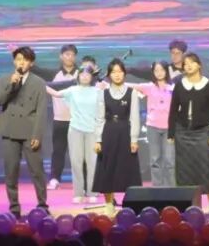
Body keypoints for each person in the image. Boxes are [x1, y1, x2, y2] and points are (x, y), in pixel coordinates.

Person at [0, 46, 49, 217]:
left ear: (31, 63)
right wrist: (12, 84)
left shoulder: (39, 82)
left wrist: (37, 134)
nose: (21, 63)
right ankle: (14, 208)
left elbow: (41, 111)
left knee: (37, 171)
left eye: (25, 60)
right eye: (18, 59)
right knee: (11, 171)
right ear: (14, 62)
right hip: (10, 130)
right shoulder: (5, 79)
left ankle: (42, 204)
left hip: (30, 131)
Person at [45, 63, 102, 204]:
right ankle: (78, 192)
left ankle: (92, 192)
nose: (85, 77)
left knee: (92, 162)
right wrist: (39, 84)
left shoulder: (98, 91)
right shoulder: (72, 90)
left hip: (92, 130)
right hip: (75, 130)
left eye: (87, 74)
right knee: (76, 162)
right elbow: (56, 94)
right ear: (78, 76)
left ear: (92, 77)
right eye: (82, 74)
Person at [167, 52, 209, 205]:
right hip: (182, 132)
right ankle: (188, 203)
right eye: (185, 63)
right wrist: (171, 133)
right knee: (184, 170)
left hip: (203, 131)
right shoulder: (179, 85)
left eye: (191, 62)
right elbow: (173, 111)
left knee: (205, 167)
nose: (188, 66)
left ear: (199, 65)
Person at [93, 59, 142, 216]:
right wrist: (98, 139)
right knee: (107, 169)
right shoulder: (103, 93)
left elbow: (134, 117)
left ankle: (130, 205)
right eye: (113, 72)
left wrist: (134, 139)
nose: (117, 75)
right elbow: (99, 118)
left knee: (128, 170)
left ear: (124, 73)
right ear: (109, 75)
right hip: (108, 133)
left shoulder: (132, 92)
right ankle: (109, 204)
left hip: (125, 133)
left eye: (120, 71)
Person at [29, 44, 79, 191]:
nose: (69, 57)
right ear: (61, 56)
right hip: (60, 120)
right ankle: (55, 179)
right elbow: (35, 69)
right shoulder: (54, 73)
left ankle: (82, 181)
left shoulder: (81, 74)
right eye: (67, 54)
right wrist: (19, 54)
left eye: (72, 55)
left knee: (79, 153)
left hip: (79, 121)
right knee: (58, 151)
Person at [131, 61, 175, 187]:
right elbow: (131, 85)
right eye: (156, 70)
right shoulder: (149, 87)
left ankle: (171, 188)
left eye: (162, 70)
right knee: (155, 159)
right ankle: (157, 188)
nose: (159, 73)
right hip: (153, 127)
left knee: (169, 160)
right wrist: (109, 85)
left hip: (169, 128)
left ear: (166, 71)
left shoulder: (173, 88)